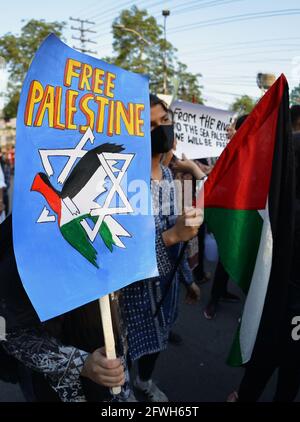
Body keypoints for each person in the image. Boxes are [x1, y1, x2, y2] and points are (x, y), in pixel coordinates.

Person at [120, 94, 203, 402]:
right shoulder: (124, 181)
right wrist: (170, 237)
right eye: (151, 125)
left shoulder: (169, 175)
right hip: (133, 294)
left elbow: (179, 234)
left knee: (158, 342)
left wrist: (188, 279)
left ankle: (145, 381)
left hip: (166, 288)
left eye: (165, 121)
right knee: (124, 350)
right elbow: (122, 252)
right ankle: (123, 393)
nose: (161, 129)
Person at [0, 214, 128, 402]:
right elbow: (9, 330)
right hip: (58, 385)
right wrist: (81, 363)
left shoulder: (118, 216)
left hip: (112, 361)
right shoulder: (31, 237)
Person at [203, 115, 249, 320]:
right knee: (225, 257)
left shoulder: (258, 153)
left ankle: (222, 292)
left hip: (247, 214)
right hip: (228, 213)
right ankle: (214, 298)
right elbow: (217, 180)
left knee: (240, 257)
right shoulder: (231, 153)